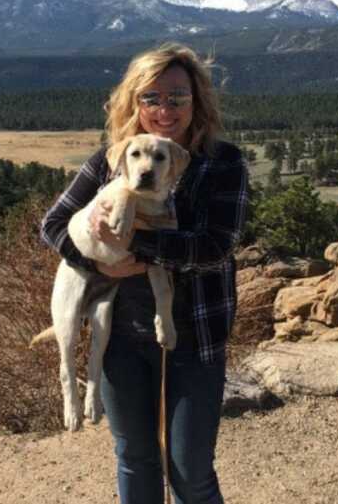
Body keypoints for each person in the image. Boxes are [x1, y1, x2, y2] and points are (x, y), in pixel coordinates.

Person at [41, 42, 249, 504]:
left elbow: (215, 248)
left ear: (197, 101)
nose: (165, 109)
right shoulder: (113, 160)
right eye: (150, 98)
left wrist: (133, 242)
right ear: (132, 102)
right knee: (135, 458)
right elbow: (53, 226)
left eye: (178, 97)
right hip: (121, 337)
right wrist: (95, 263)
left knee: (190, 472)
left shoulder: (223, 162)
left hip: (195, 333)